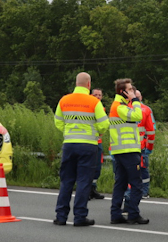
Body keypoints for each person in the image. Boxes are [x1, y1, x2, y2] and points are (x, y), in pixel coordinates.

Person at [53, 73, 109, 227]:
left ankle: (61, 216)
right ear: (89, 84)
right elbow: (104, 123)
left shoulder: (64, 100)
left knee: (66, 181)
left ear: (76, 83)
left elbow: (58, 122)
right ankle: (79, 217)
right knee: (84, 181)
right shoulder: (94, 102)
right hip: (88, 145)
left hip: (69, 144)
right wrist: (96, 133)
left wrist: (68, 132)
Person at [108, 78, 148, 224]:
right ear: (122, 92)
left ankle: (116, 215)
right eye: (130, 89)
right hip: (128, 150)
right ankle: (133, 214)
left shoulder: (121, 105)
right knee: (137, 184)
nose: (133, 91)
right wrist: (135, 100)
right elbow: (138, 115)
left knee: (121, 183)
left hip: (121, 151)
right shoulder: (119, 106)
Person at [135, 90, 156, 198]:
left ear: (141, 97)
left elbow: (152, 128)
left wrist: (149, 146)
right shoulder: (127, 108)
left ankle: (144, 191)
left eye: (138, 96)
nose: (137, 98)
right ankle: (135, 191)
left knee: (143, 169)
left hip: (142, 146)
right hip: (133, 146)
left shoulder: (146, 110)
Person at [89, 87, 105, 200]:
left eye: (99, 95)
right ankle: (86, 190)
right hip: (90, 141)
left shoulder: (101, 108)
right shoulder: (89, 107)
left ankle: (93, 188)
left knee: (97, 167)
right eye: (95, 95)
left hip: (98, 141)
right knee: (89, 166)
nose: (98, 97)